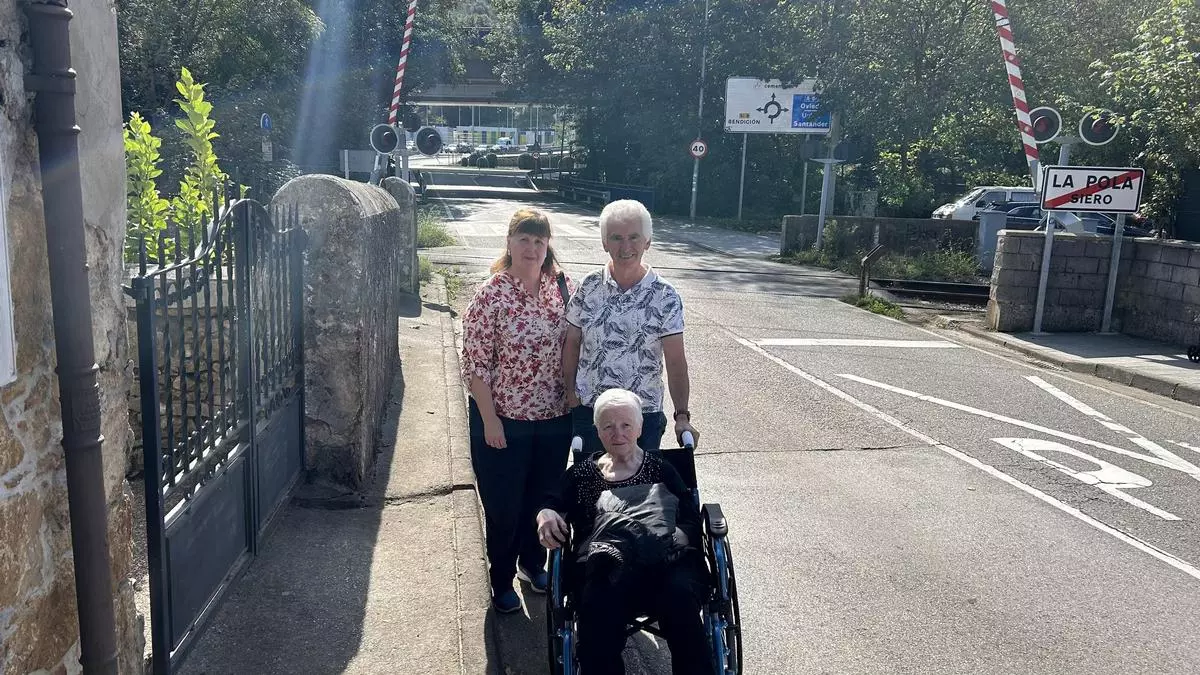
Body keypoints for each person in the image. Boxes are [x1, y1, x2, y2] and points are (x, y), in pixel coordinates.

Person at [536, 389, 714, 675]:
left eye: (626, 425)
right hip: (604, 568)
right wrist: (545, 513)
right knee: (597, 612)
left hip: (664, 564)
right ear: (597, 430)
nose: (617, 433)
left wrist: (670, 542)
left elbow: (691, 521)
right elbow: (551, 502)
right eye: (608, 426)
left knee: (681, 599)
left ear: (640, 428)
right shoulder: (582, 473)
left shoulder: (661, 469)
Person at [461, 208, 575, 614]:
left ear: (548, 247)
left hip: (554, 419)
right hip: (504, 421)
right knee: (505, 506)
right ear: (509, 243)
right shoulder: (491, 294)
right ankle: (502, 578)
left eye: (539, 241)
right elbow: (475, 366)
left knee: (542, 498)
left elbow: (575, 345)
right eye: (524, 239)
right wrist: (489, 420)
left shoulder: (561, 288)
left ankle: (533, 563)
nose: (532, 248)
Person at [563, 199, 699, 454]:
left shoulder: (665, 296)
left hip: (641, 417)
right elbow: (571, 343)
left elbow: (676, 361)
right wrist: (570, 394)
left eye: (634, 237)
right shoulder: (588, 287)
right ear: (605, 243)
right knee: (589, 491)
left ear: (647, 241)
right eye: (616, 238)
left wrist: (682, 415)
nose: (626, 247)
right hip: (592, 413)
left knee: (639, 493)